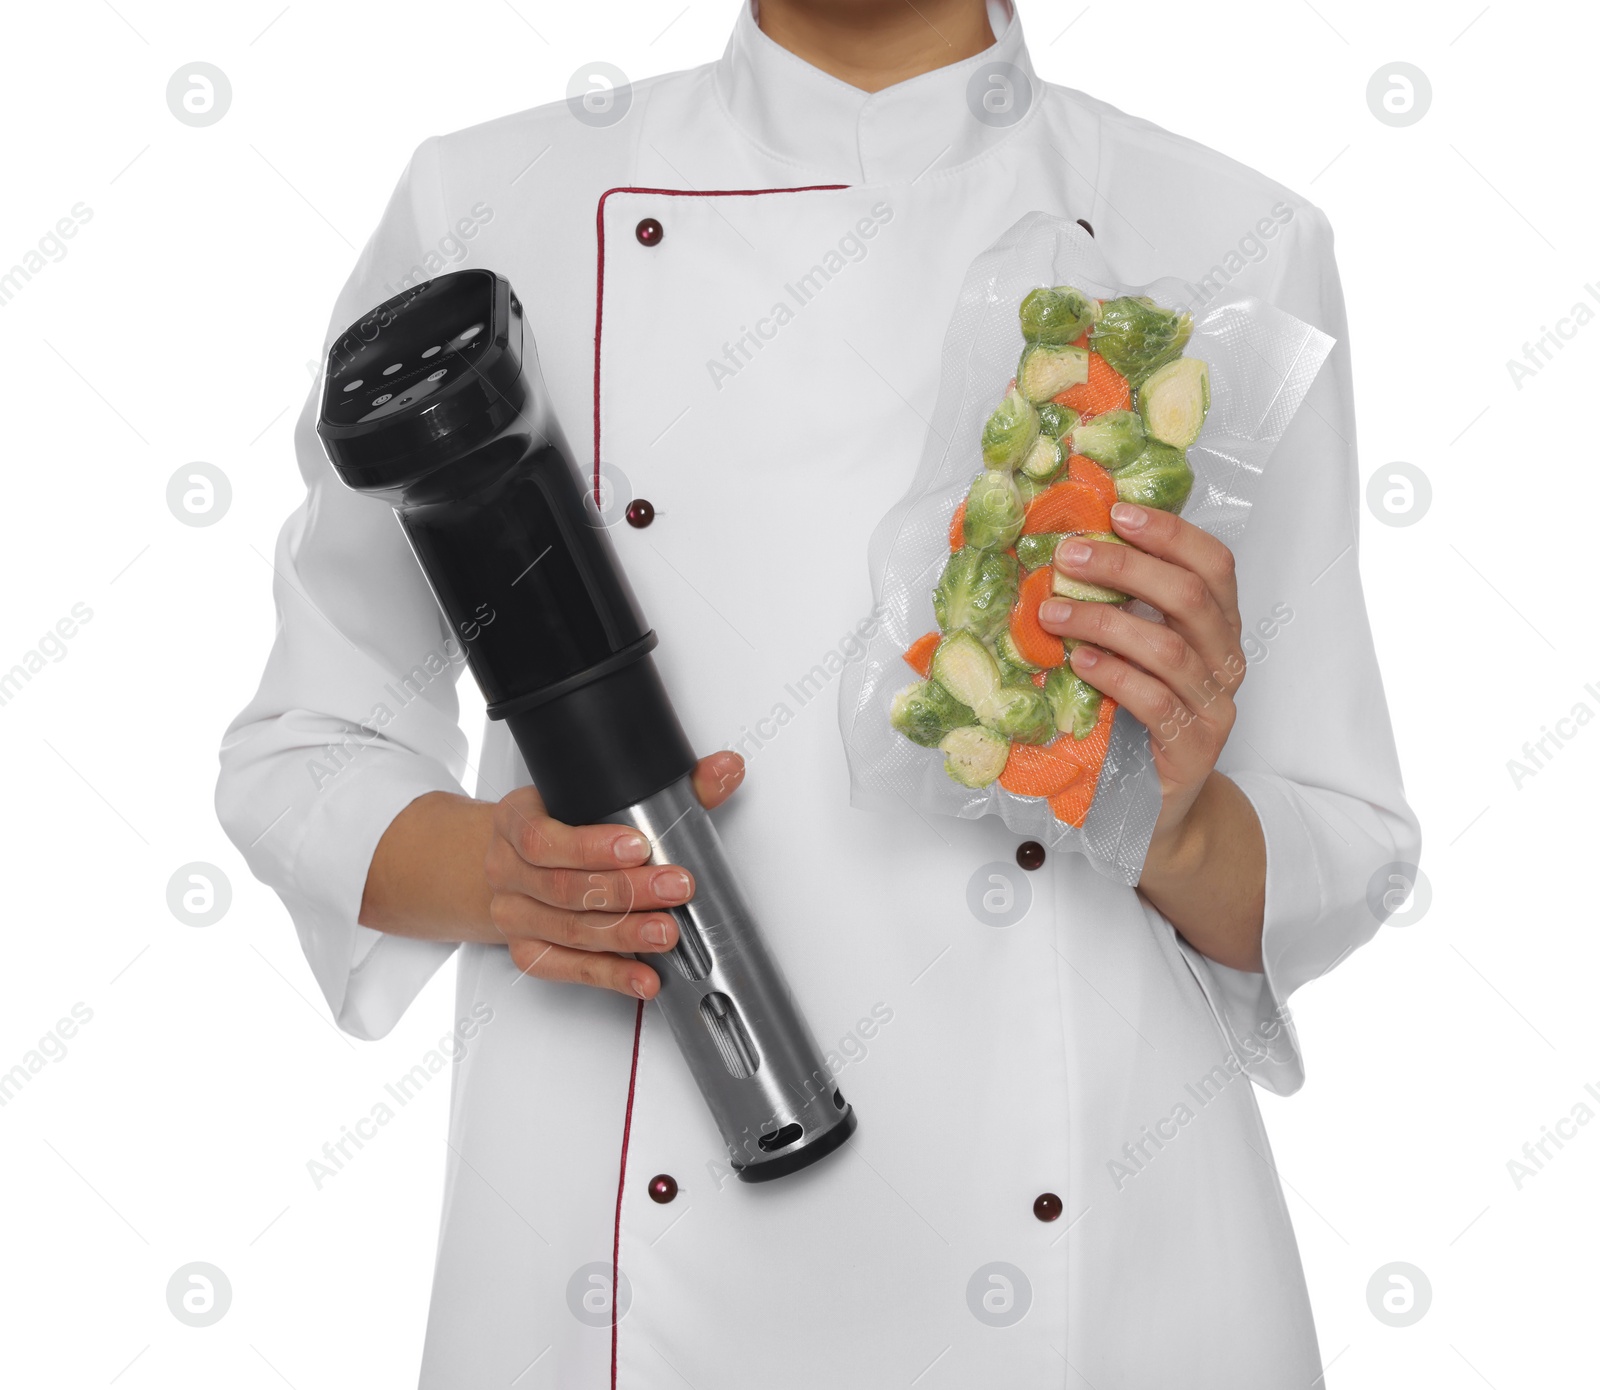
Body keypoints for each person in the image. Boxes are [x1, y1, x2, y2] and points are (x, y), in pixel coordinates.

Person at [216, 1, 1421, 1384]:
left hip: (1106, 1275)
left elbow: (1348, 841)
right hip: (613, 1280)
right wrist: (500, 871)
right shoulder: (491, 204)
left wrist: (1178, 821)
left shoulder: (1234, 237)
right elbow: (305, 752)